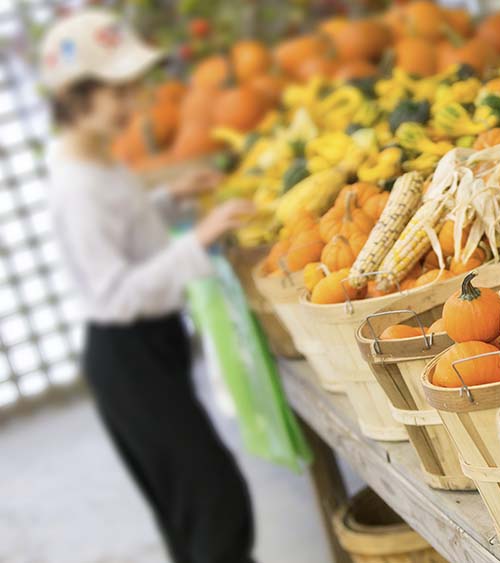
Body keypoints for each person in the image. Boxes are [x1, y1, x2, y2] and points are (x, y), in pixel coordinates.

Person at [39, 9, 257, 563]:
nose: (133, 106)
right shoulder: (78, 185)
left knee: (189, 507)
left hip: (146, 349)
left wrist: (171, 199)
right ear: (75, 95)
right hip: (126, 354)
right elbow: (115, 294)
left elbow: (125, 232)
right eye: (118, 92)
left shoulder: (92, 159)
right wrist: (199, 239)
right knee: (216, 503)